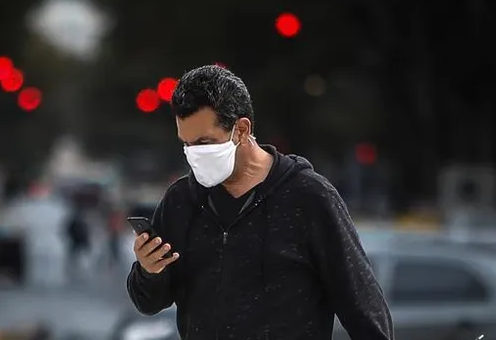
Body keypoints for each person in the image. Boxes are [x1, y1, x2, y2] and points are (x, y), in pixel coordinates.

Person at [126, 65, 393, 340]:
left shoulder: (309, 198)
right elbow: (148, 302)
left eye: (204, 142)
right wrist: (149, 271)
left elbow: (363, 307)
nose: (194, 154)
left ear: (241, 130)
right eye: (187, 143)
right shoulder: (181, 200)